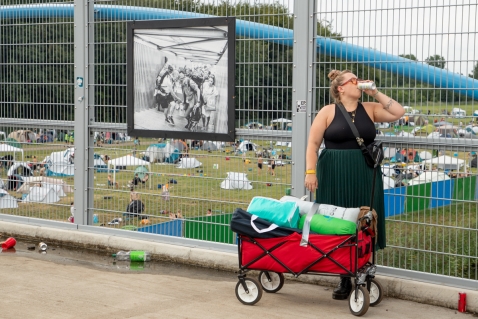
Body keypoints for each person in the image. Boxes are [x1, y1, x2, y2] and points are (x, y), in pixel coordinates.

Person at [304, 69, 405, 300]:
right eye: (353, 81)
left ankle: (365, 270)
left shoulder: (370, 108)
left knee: (365, 218)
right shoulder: (327, 111)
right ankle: (343, 276)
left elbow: (399, 112)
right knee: (337, 219)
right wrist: (310, 172)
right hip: (334, 172)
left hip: (365, 171)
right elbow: (312, 143)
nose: (358, 83)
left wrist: (375, 91)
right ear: (340, 88)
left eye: (358, 80)